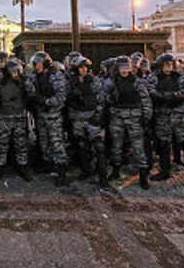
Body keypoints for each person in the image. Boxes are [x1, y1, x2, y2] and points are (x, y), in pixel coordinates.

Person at [148, 53, 184, 191]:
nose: (168, 68)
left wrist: (175, 95)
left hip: (180, 116)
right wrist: (163, 96)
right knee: (164, 145)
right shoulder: (154, 78)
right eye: (165, 65)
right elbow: (150, 91)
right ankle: (165, 171)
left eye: (170, 64)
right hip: (163, 116)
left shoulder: (181, 77)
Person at [105, 56, 152, 188]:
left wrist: (146, 118)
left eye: (127, 67)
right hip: (117, 117)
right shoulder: (111, 82)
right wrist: (111, 99)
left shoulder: (138, 82)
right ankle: (115, 170)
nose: (124, 70)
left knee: (138, 147)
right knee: (116, 146)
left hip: (134, 118)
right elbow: (103, 98)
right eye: (122, 68)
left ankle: (143, 175)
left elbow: (146, 101)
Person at [25, 51, 68, 187]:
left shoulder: (56, 76)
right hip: (40, 115)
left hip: (53, 115)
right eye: (35, 64)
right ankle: (48, 164)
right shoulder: (34, 77)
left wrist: (46, 102)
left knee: (56, 144)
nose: (36, 66)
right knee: (43, 143)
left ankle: (61, 171)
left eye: (38, 63)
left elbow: (61, 97)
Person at [65, 56, 108, 186]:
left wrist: (98, 115)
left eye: (86, 67)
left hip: (91, 117)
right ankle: (86, 171)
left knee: (98, 147)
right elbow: (66, 100)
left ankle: (102, 176)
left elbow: (101, 99)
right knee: (82, 146)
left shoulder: (93, 81)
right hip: (77, 117)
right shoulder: (70, 83)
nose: (84, 70)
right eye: (81, 67)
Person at [0, 59, 31, 181]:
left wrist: (23, 80)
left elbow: (32, 93)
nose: (14, 73)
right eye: (12, 71)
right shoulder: (0, 83)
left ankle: (23, 168)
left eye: (16, 71)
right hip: (4, 117)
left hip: (19, 116)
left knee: (21, 145)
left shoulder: (22, 82)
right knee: (2, 145)